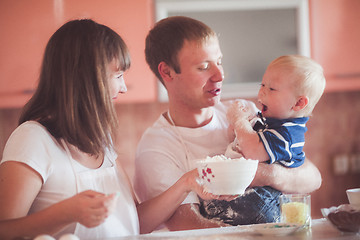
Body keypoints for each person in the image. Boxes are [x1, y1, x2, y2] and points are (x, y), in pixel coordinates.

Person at [0, 19, 223, 240]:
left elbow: (137, 222)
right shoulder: (32, 139)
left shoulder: (99, 141)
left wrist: (186, 183)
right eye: (118, 76)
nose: (124, 87)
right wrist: (66, 213)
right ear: (86, 78)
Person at [134, 16, 322, 230]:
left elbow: (312, 178)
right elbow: (186, 222)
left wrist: (263, 174)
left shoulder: (244, 111)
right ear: (167, 72)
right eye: (204, 67)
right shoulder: (156, 147)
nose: (220, 75)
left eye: (220, 62)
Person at [226, 55, 326, 168]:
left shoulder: (287, 135)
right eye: (262, 85)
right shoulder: (266, 122)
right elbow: (234, 143)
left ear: (298, 103)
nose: (262, 91)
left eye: (272, 88)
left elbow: (252, 153)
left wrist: (240, 121)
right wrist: (237, 124)